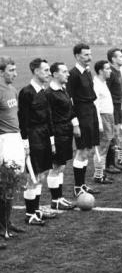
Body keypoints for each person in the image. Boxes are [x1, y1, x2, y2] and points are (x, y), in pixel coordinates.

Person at [18, 58, 57, 225]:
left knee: (41, 174)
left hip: (44, 136)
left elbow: (48, 117)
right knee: (33, 177)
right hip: (33, 137)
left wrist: (52, 139)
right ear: (36, 72)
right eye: (46, 70)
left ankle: (36, 209)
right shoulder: (26, 92)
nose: (49, 73)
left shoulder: (43, 91)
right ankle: (30, 214)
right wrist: (25, 142)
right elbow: (23, 120)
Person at [66, 43, 100, 197]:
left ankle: (82, 185)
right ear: (77, 56)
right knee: (81, 150)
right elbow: (69, 100)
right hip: (81, 114)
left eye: (90, 54)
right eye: (86, 55)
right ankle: (77, 187)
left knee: (87, 150)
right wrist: (75, 123)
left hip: (90, 112)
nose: (89, 58)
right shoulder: (72, 74)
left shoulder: (87, 72)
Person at [0, 56, 25, 244]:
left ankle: (7, 222)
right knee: (5, 182)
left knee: (14, 181)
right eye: (11, 71)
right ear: (1, 72)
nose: (15, 74)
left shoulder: (12, 89)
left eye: (15, 70)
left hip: (15, 138)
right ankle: (2, 227)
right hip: (4, 140)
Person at [45, 62, 76, 209]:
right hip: (57, 133)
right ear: (55, 74)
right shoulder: (49, 93)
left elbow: (70, 109)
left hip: (66, 131)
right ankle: (55, 200)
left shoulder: (63, 89)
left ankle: (59, 197)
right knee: (56, 166)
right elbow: (48, 118)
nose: (68, 74)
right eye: (64, 72)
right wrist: (51, 141)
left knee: (61, 166)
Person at [92, 60, 113, 184]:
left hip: (108, 116)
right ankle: (98, 175)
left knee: (105, 145)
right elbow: (96, 106)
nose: (110, 71)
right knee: (102, 147)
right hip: (103, 117)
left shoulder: (103, 83)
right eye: (107, 69)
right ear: (100, 71)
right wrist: (99, 123)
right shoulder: (96, 84)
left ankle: (101, 173)